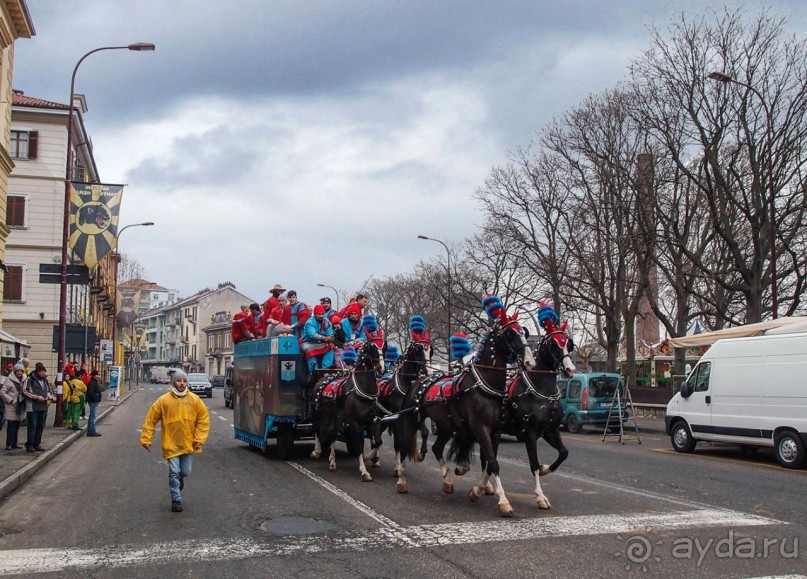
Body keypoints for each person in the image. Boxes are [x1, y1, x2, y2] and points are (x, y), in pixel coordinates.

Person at [140, 370, 210, 513]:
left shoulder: (195, 400)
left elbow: (203, 420)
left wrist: (199, 439)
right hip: (171, 443)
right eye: (179, 381)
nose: (182, 383)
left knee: (185, 471)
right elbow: (150, 420)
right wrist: (146, 438)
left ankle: (180, 479)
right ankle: (176, 500)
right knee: (174, 471)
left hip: (188, 443)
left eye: (184, 381)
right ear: (173, 382)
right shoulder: (163, 401)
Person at [23, 362, 55, 452]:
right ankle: (30, 444)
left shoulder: (45, 380)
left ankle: (37, 444)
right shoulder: (30, 379)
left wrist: (49, 396)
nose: (43, 373)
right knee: (32, 425)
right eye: (42, 371)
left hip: (42, 406)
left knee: (40, 426)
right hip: (32, 406)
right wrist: (36, 397)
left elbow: (49, 390)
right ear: (37, 372)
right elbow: (25, 391)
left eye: (44, 371)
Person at [301, 305, 335, 373]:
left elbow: (330, 334)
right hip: (308, 343)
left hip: (320, 343)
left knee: (330, 346)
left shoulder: (326, 321)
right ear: (315, 314)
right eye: (319, 314)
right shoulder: (310, 322)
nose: (321, 316)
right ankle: (314, 372)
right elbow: (312, 335)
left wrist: (330, 337)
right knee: (309, 349)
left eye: (322, 314)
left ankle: (326, 370)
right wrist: (323, 338)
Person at [1, 363, 26, 450]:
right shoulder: (9, 380)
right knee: (11, 425)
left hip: (20, 405)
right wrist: (10, 400)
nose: (19, 373)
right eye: (18, 371)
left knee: (17, 425)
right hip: (12, 405)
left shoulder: (24, 380)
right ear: (15, 371)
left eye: (21, 371)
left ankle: (15, 443)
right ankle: (9, 444)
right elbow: (2, 392)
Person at [85, 370, 103, 437]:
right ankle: (91, 431)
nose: (98, 376)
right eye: (97, 375)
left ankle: (91, 431)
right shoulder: (92, 383)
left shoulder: (94, 382)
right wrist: (97, 399)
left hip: (94, 401)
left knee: (92, 416)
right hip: (93, 401)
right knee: (92, 416)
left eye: (99, 375)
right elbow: (91, 393)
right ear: (93, 376)